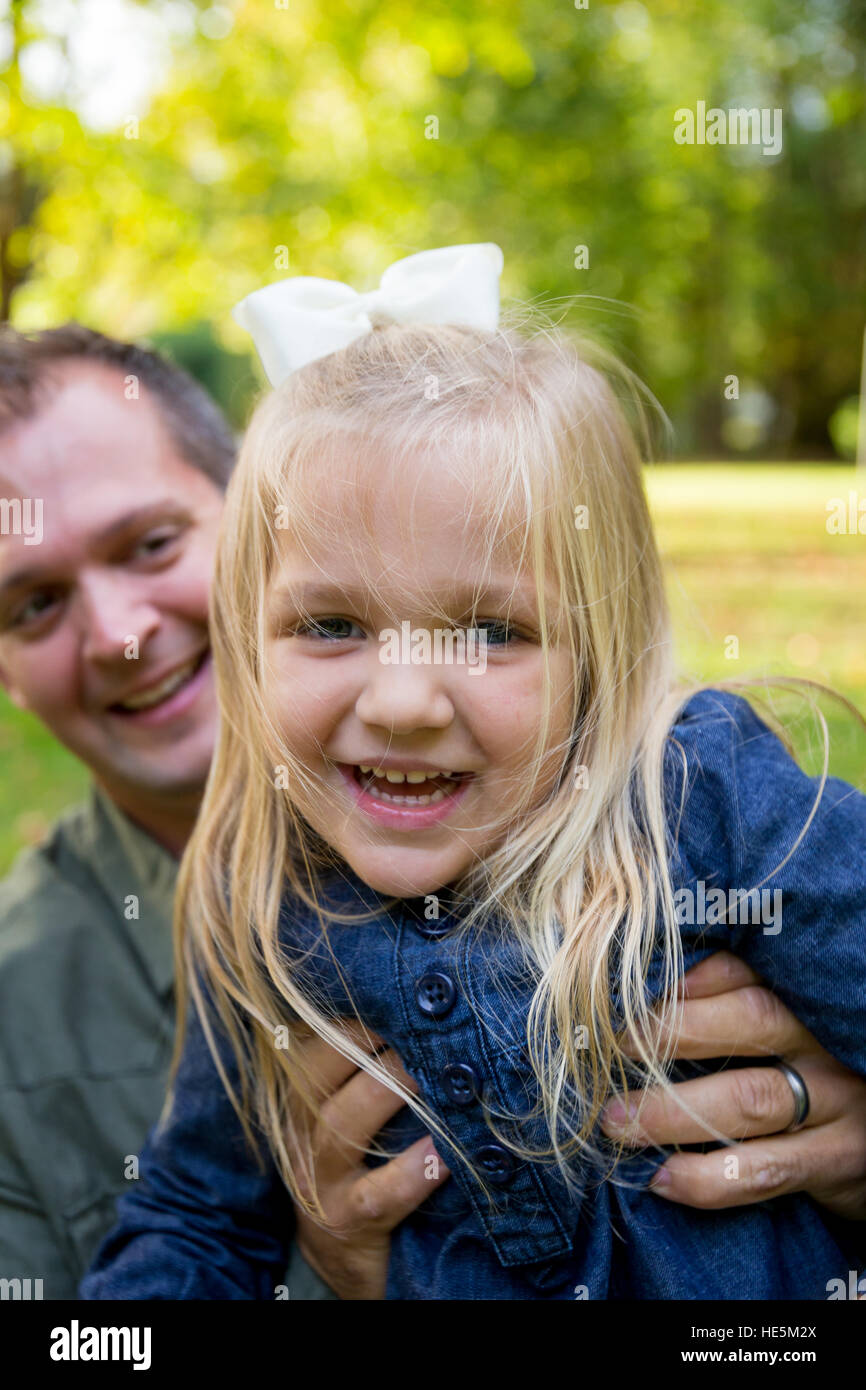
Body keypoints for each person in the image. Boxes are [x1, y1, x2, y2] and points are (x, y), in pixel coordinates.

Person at [77, 245, 866, 1300]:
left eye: (491, 630)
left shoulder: (701, 799)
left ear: (599, 646)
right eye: (330, 624)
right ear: (246, 639)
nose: (402, 700)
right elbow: (197, 1216)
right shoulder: (262, 899)